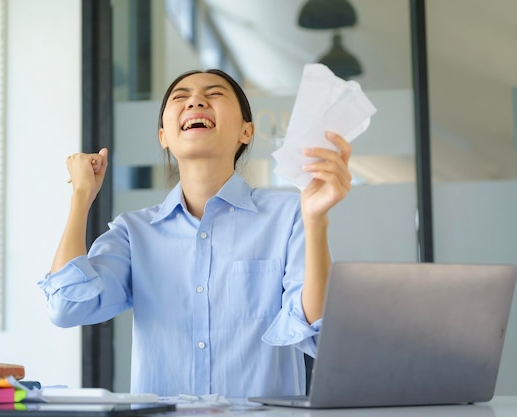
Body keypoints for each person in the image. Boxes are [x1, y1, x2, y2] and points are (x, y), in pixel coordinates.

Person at [38, 69, 352, 398]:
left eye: (214, 93)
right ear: (164, 136)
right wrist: (81, 196)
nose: (196, 100)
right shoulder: (134, 232)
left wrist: (316, 221)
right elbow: (65, 306)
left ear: (246, 131)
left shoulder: (289, 216)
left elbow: (319, 334)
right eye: (180, 96)